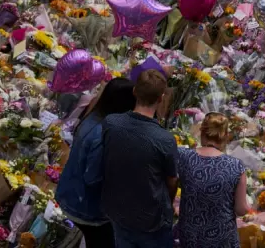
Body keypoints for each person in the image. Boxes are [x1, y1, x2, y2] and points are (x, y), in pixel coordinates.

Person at [56, 77, 136, 248]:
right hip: (85, 207)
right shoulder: (104, 134)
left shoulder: (94, 117)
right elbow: (93, 177)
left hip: (70, 194)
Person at [101, 69, 178, 248]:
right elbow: (172, 182)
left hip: (118, 211)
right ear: (161, 98)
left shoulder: (111, 123)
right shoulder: (165, 139)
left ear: (135, 91)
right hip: (150, 221)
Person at [177, 113, 265, 248]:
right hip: (223, 238)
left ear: (202, 132)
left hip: (191, 237)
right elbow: (241, 209)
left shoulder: (184, 157)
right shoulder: (235, 165)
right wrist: (258, 213)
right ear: (225, 135)